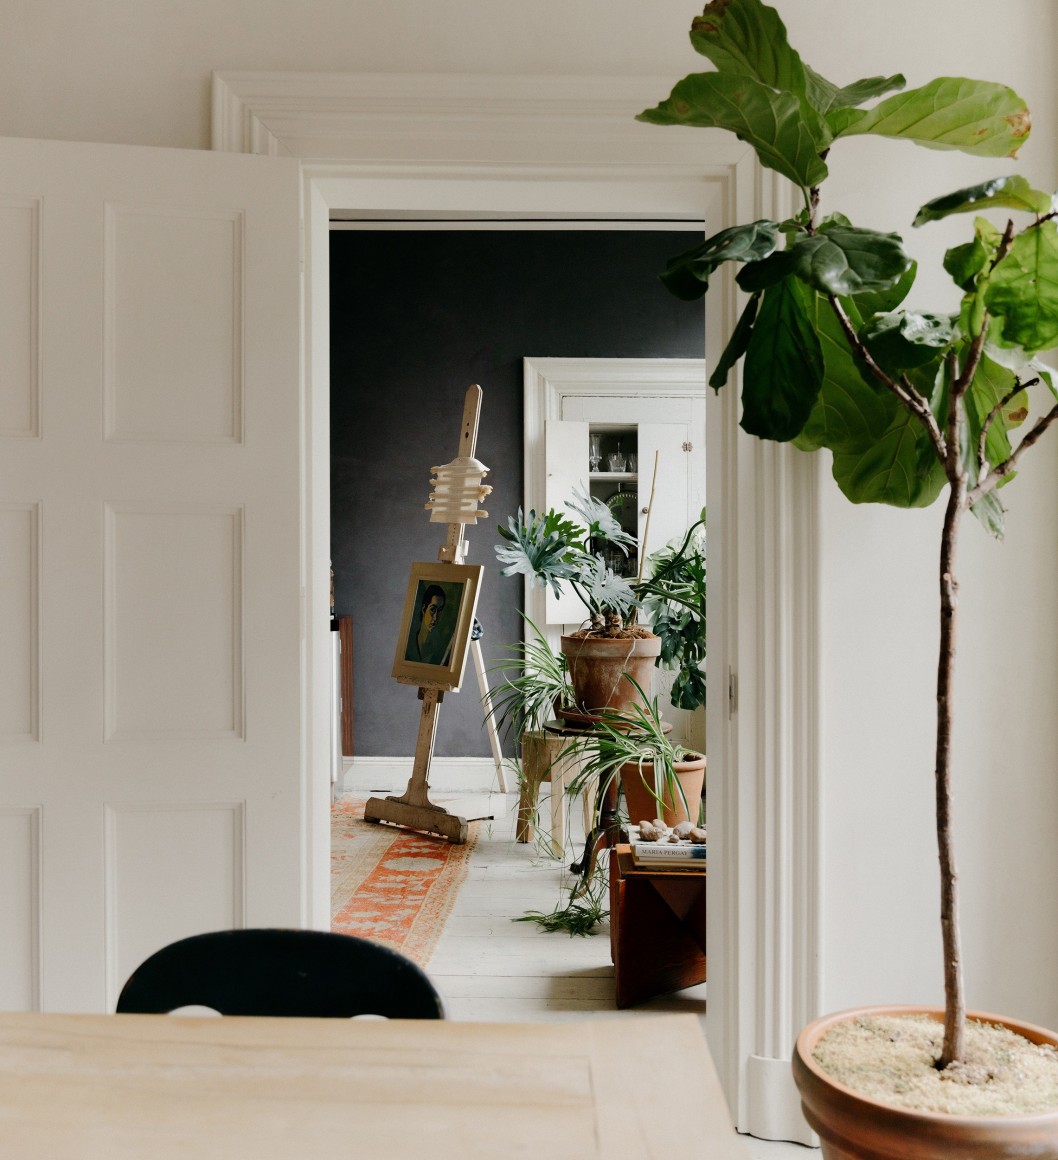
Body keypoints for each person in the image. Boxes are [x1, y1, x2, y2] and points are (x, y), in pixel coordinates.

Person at [407, 584, 452, 665]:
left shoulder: (439, 649)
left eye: (439, 611)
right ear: (424, 609)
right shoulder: (408, 641)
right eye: (433, 610)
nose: (435, 617)